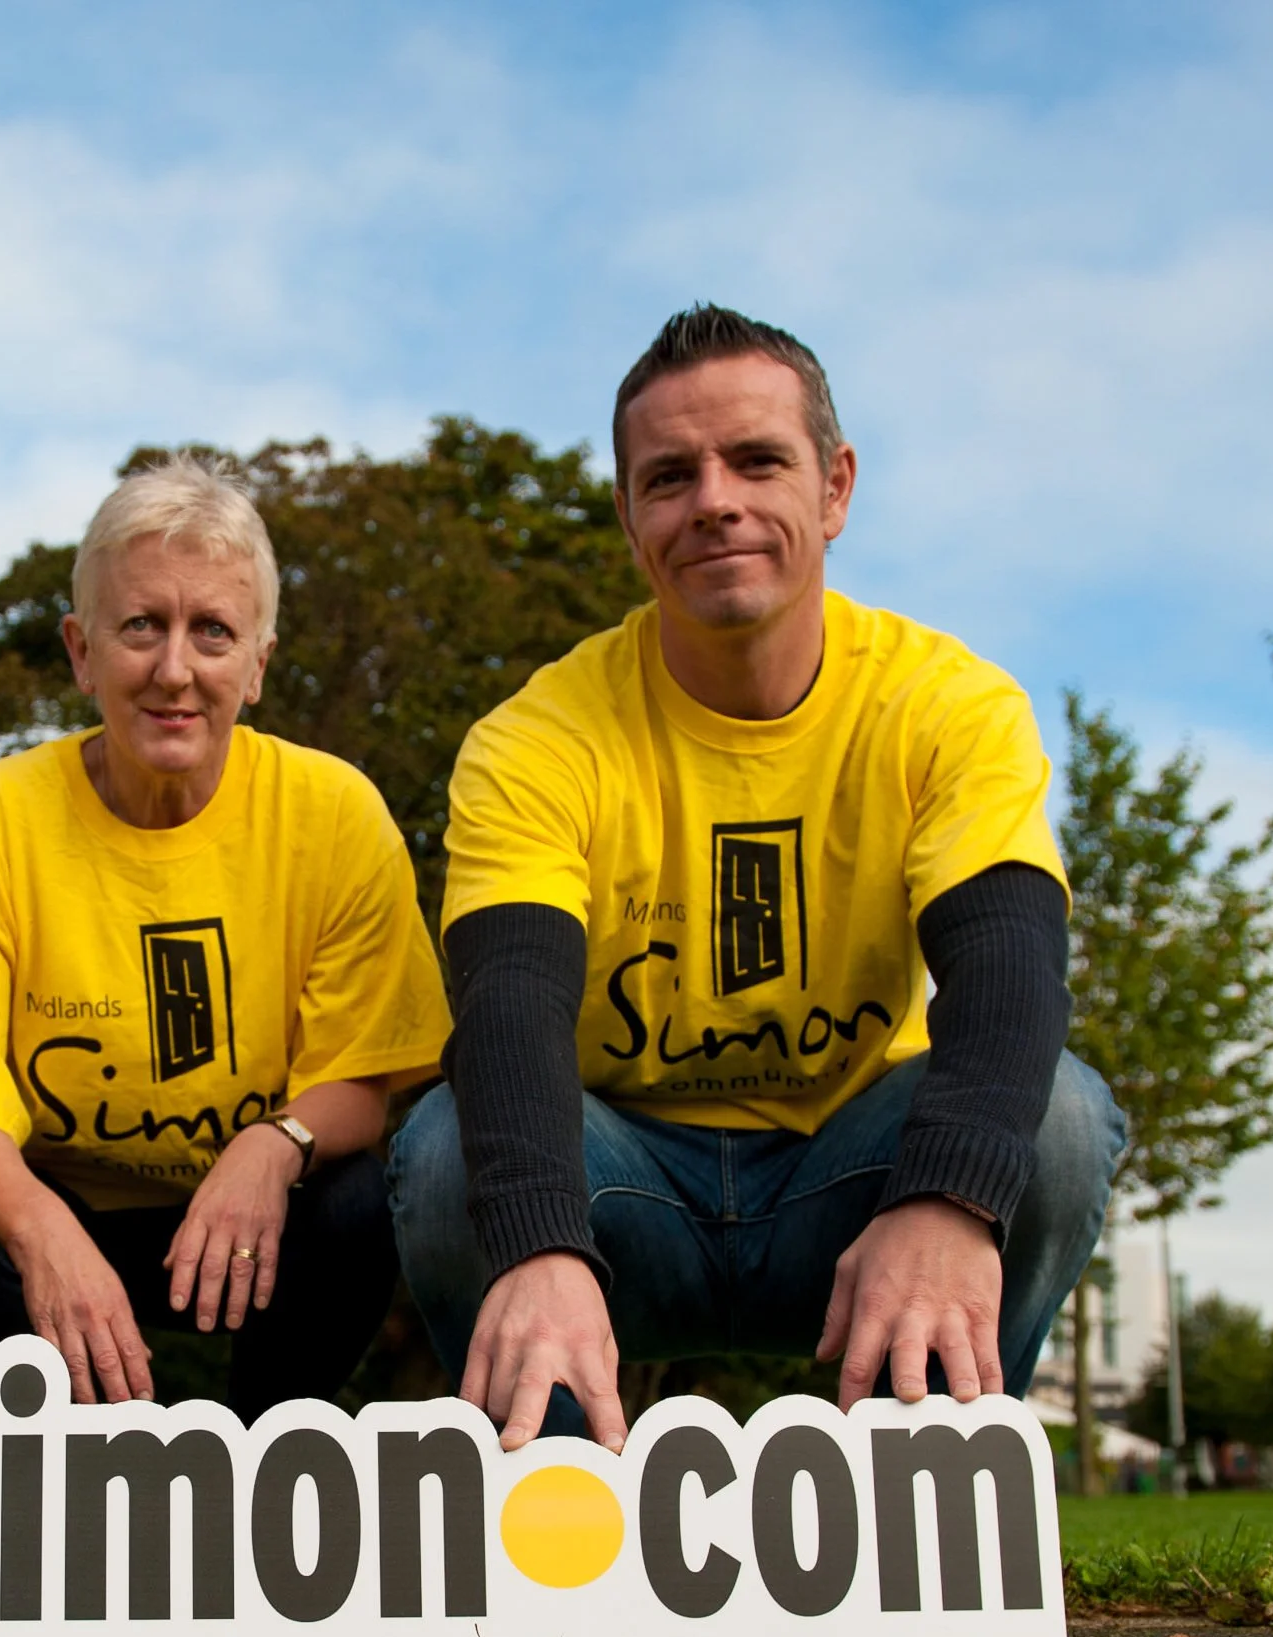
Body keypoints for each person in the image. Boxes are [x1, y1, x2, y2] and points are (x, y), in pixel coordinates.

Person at [389, 305, 1123, 1452]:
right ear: (631, 519)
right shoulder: (534, 735)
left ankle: (915, 1492)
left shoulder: (950, 705)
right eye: (669, 476)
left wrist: (946, 1195)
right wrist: (536, 1241)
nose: (714, 499)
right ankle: (555, 1516)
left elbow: (1007, 975)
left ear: (834, 487)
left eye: (757, 460)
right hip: (622, 1181)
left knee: (1061, 1119)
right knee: (444, 1149)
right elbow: (508, 1012)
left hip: (852, 1175)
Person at [0, 454, 450, 1417]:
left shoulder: (335, 812)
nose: (174, 668)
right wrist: (41, 1231)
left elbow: (365, 1074)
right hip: (56, 1203)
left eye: (213, 631)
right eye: (141, 625)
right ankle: (60, 1475)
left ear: (259, 664)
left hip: (252, 1217)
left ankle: (266, 1459)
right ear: (80, 649)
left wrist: (275, 1146)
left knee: (354, 1206)